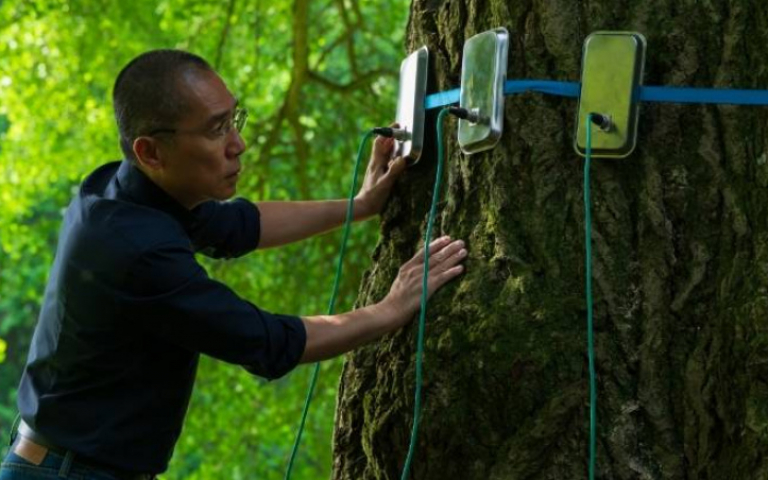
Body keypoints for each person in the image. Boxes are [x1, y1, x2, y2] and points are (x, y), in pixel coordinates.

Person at [0, 50, 466, 480]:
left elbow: (240, 225)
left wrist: (359, 206)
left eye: (233, 119)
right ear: (151, 152)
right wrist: (391, 309)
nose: (238, 143)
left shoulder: (128, 189)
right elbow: (265, 341)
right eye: (215, 129)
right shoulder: (135, 250)